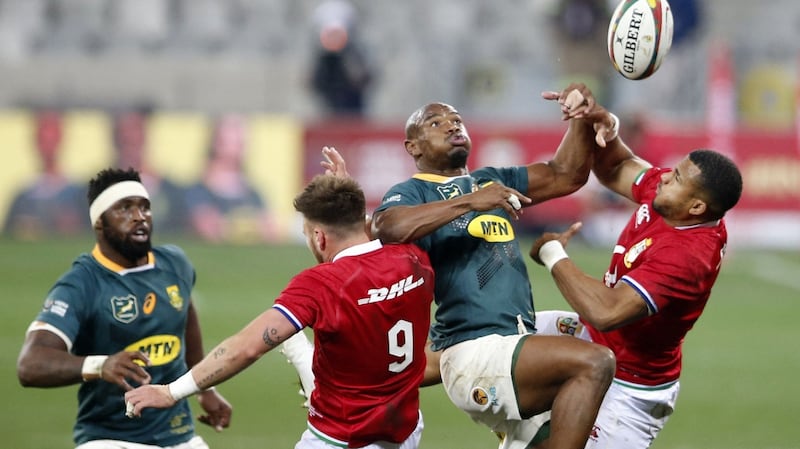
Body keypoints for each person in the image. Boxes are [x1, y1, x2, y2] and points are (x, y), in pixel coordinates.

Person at [354, 84, 617, 449]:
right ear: (412, 147)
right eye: (435, 122)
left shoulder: (491, 181)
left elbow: (565, 174)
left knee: (593, 340)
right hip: (473, 351)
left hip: (513, 342)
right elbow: (388, 227)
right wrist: (471, 202)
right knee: (595, 363)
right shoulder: (414, 192)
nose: (450, 125)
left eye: (456, 119)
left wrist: (579, 118)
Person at [125, 174, 436, 449]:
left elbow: (245, 348)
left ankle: (299, 349)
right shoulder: (412, 257)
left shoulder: (321, 284)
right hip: (405, 430)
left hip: (343, 437)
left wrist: (171, 391)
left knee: (296, 336)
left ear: (319, 237)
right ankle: (300, 351)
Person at [529, 113, 743, 447]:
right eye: (673, 171)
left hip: (628, 389)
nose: (665, 178)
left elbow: (607, 311)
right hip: (593, 342)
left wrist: (553, 255)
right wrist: (598, 120)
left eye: (677, 179)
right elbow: (617, 167)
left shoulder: (687, 256)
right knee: (490, 332)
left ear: (697, 206)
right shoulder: (671, 201)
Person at [16, 167, 232, 448]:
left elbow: (186, 318)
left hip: (180, 436)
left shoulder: (175, 264)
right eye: (124, 209)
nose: (139, 216)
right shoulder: (81, 283)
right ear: (99, 223)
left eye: (145, 207)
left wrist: (204, 388)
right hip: (110, 439)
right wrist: (100, 365)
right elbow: (30, 364)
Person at [184, 114, 277, 243]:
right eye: (235, 140)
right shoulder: (199, 191)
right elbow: (207, 228)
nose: (242, 146)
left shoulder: (252, 192)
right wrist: (252, 227)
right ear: (217, 142)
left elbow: (272, 231)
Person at [4, 109, 85, 239]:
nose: (48, 146)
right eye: (44, 139)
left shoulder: (79, 194)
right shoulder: (23, 196)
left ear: (61, 139)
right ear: (36, 142)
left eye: (52, 138)